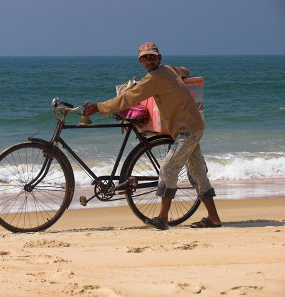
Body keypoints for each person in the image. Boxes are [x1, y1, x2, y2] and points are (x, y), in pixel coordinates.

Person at [83, 42, 221, 230]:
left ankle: (162, 218)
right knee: (197, 173)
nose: (149, 60)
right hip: (193, 126)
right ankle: (213, 218)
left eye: (152, 57)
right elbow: (185, 70)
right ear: (140, 61)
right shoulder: (169, 70)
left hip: (187, 130)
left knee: (167, 169)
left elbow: (127, 99)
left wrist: (99, 107)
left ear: (159, 58)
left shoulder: (154, 78)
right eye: (144, 58)